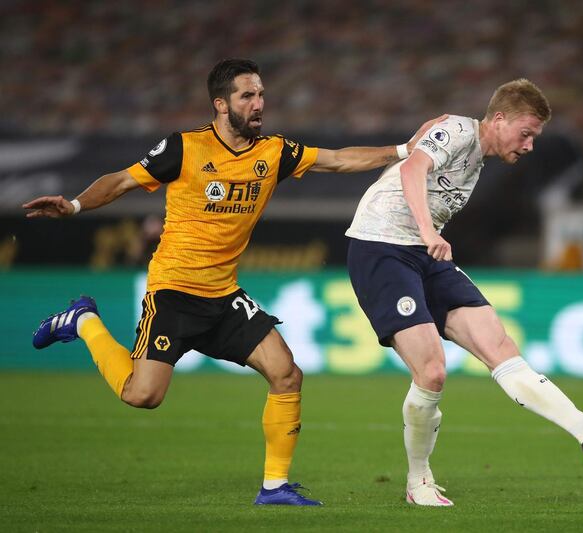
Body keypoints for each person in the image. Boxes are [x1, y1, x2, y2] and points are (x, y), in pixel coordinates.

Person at [24, 58, 441, 507]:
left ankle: (275, 487)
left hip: (224, 296)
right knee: (143, 396)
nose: (259, 104)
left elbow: (338, 160)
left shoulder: (274, 152)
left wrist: (404, 150)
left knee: (286, 373)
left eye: (261, 94)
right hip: (174, 291)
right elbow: (122, 180)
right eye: (247, 95)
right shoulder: (184, 148)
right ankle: (84, 320)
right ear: (221, 104)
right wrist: (74, 205)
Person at [345, 79, 583, 507]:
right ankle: (418, 482)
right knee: (432, 372)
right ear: (499, 119)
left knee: (500, 344)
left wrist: (427, 237)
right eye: (525, 133)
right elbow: (413, 169)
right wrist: (428, 230)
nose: (528, 146)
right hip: (381, 247)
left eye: (535, 137)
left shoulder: (477, 159)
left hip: (423, 253)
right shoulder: (455, 129)